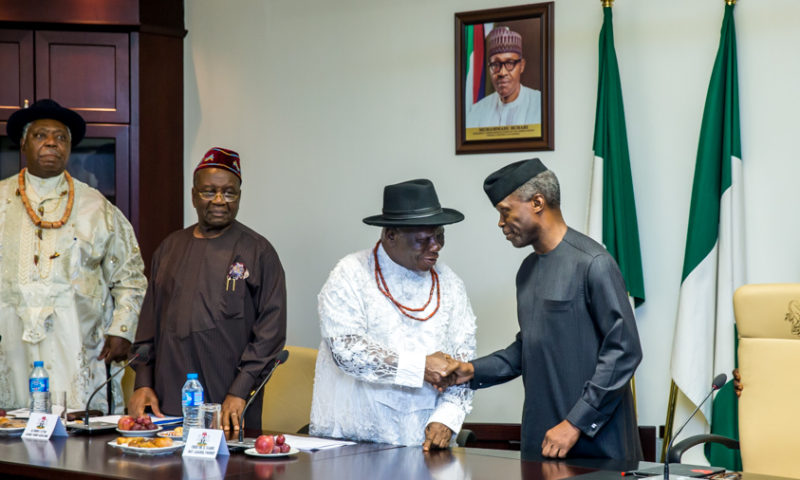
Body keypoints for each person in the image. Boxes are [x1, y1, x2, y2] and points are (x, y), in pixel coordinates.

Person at [438, 158, 643, 461]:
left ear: (537, 202)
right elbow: (531, 347)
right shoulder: (527, 271)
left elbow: (624, 351)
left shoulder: (594, 263)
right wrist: (471, 371)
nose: (500, 223)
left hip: (596, 448)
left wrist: (575, 422)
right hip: (540, 447)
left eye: (505, 212)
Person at [0, 99, 147, 412]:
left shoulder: (98, 208)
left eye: (61, 137)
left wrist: (121, 329)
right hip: (10, 342)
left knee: (80, 441)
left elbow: (130, 276)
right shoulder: (1, 200)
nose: (52, 142)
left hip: (79, 343)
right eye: (41, 135)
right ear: (24, 142)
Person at [310, 179, 476, 450]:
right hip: (352, 441)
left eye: (440, 235)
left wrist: (447, 418)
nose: (435, 246)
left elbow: (462, 364)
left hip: (424, 443)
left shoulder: (450, 283)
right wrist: (420, 367)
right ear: (390, 236)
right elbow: (347, 352)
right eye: (423, 239)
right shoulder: (350, 274)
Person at [128, 147, 286, 431]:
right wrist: (143, 382)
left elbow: (270, 335)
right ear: (193, 195)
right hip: (167, 403)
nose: (218, 201)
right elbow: (148, 325)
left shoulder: (258, 251)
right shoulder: (169, 248)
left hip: (230, 405)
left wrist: (240, 390)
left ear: (239, 196)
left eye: (229, 193)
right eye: (208, 191)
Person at [466, 26, 542, 128]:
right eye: (496, 65)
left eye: (510, 63)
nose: (502, 72)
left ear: (522, 66)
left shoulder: (540, 104)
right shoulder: (477, 111)